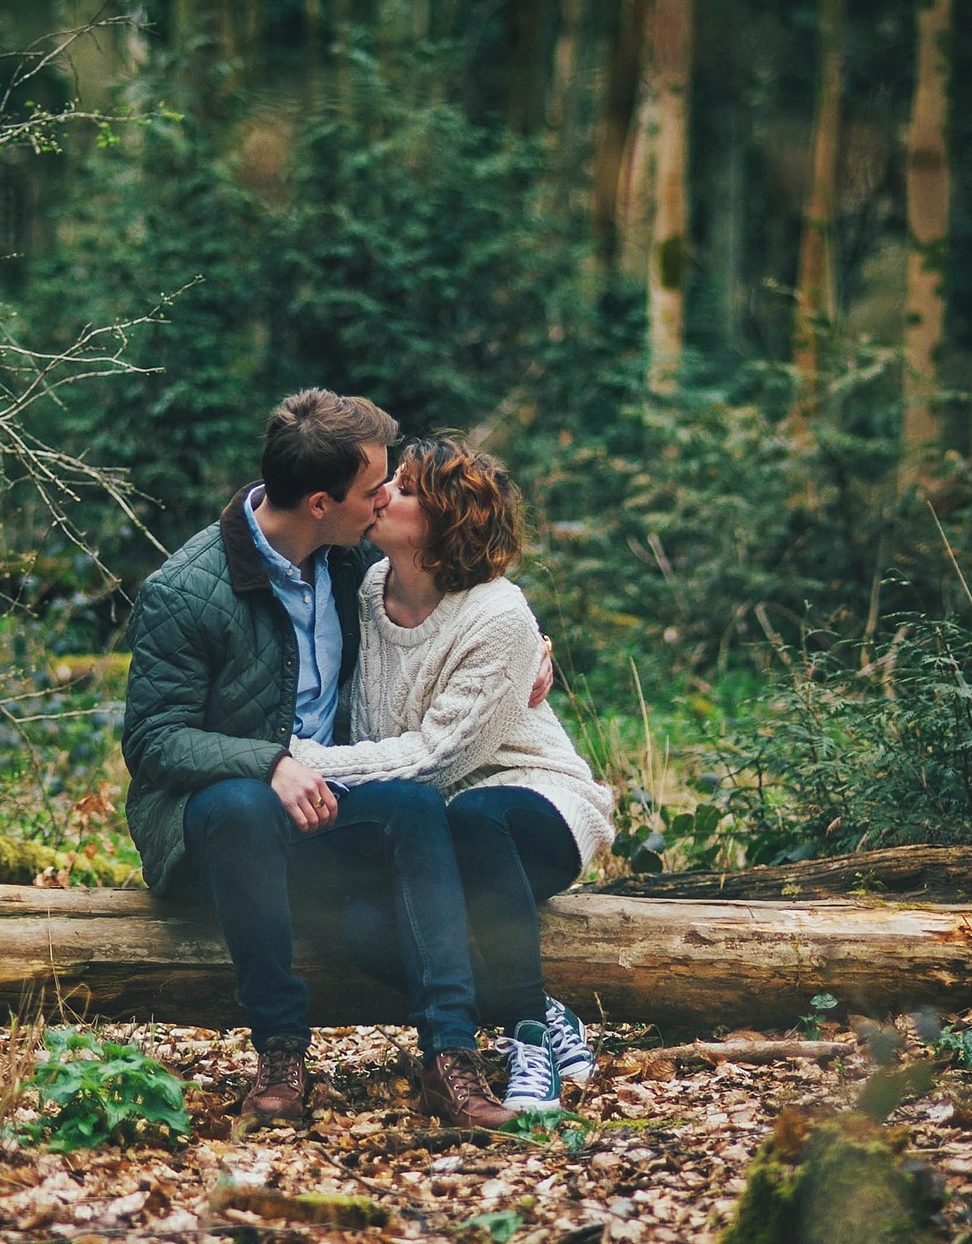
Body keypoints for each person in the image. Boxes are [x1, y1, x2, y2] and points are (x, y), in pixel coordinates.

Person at [123, 389, 537, 1135]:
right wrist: (269, 761)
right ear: (321, 502)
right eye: (374, 486)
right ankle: (281, 1050)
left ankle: (449, 1056)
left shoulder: (350, 569)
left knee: (414, 806)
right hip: (211, 827)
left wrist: (533, 649)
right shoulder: (184, 592)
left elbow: (463, 597)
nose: (385, 497)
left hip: (325, 812)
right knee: (244, 805)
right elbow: (151, 740)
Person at [285, 435, 615, 1120]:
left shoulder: (497, 615)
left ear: (444, 523)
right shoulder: (366, 588)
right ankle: (544, 1007)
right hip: (426, 823)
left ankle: (526, 1032)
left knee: (474, 813)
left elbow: (437, 759)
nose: (381, 495)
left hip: (530, 803)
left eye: (402, 490)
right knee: (368, 925)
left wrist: (293, 760)